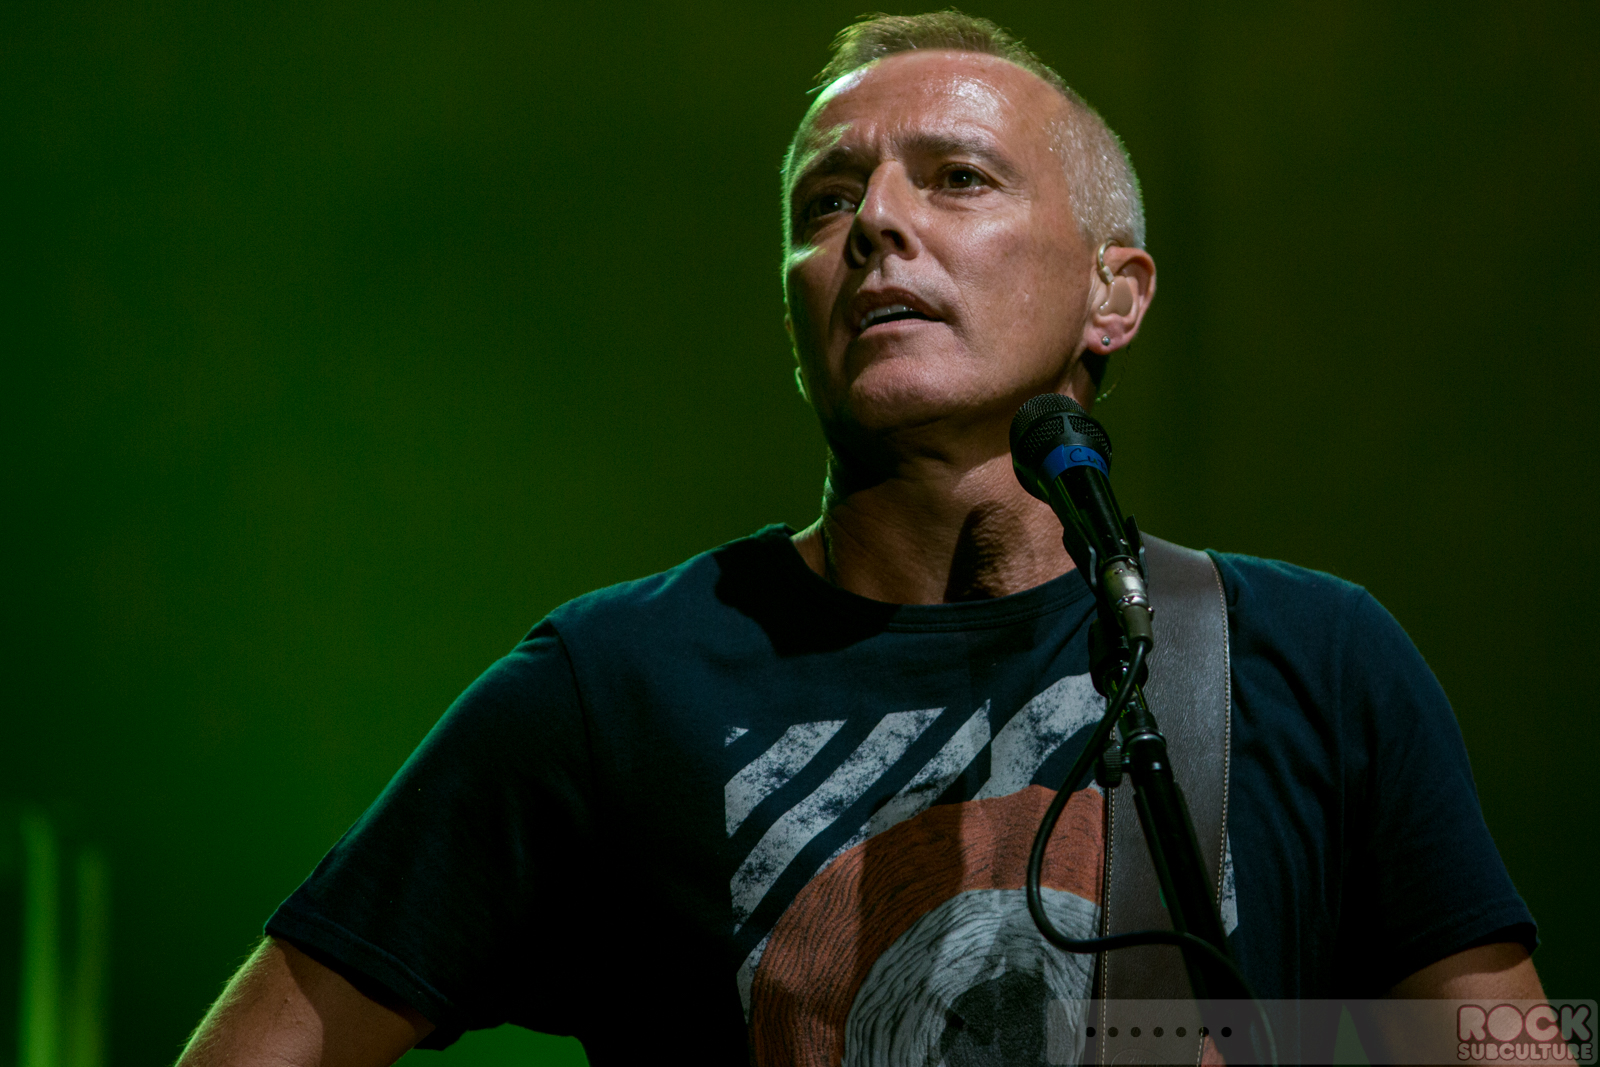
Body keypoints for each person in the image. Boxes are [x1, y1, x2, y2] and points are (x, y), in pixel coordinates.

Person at [177, 12, 1542, 1067]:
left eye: (958, 179)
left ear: (1114, 296)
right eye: (826, 205)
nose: (877, 223)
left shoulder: (1312, 658)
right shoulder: (615, 686)